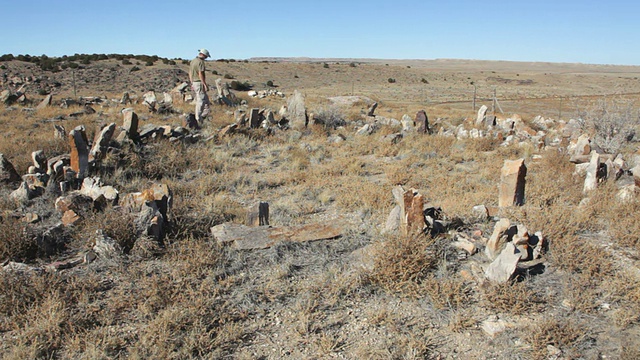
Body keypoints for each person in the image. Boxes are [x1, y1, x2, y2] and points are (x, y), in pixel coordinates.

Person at [189, 48, 211, 124]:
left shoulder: (193, 61)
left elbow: (190, 73)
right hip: (199, 83)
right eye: (206, 56)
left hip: (194, 82)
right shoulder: (200, 62)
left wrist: (191, 82)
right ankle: (198, 118)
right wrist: (204, 84)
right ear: (204, 55)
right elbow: (200, 74)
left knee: (206, 102)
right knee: (200, 101)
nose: (206, 58)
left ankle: (203, 116)